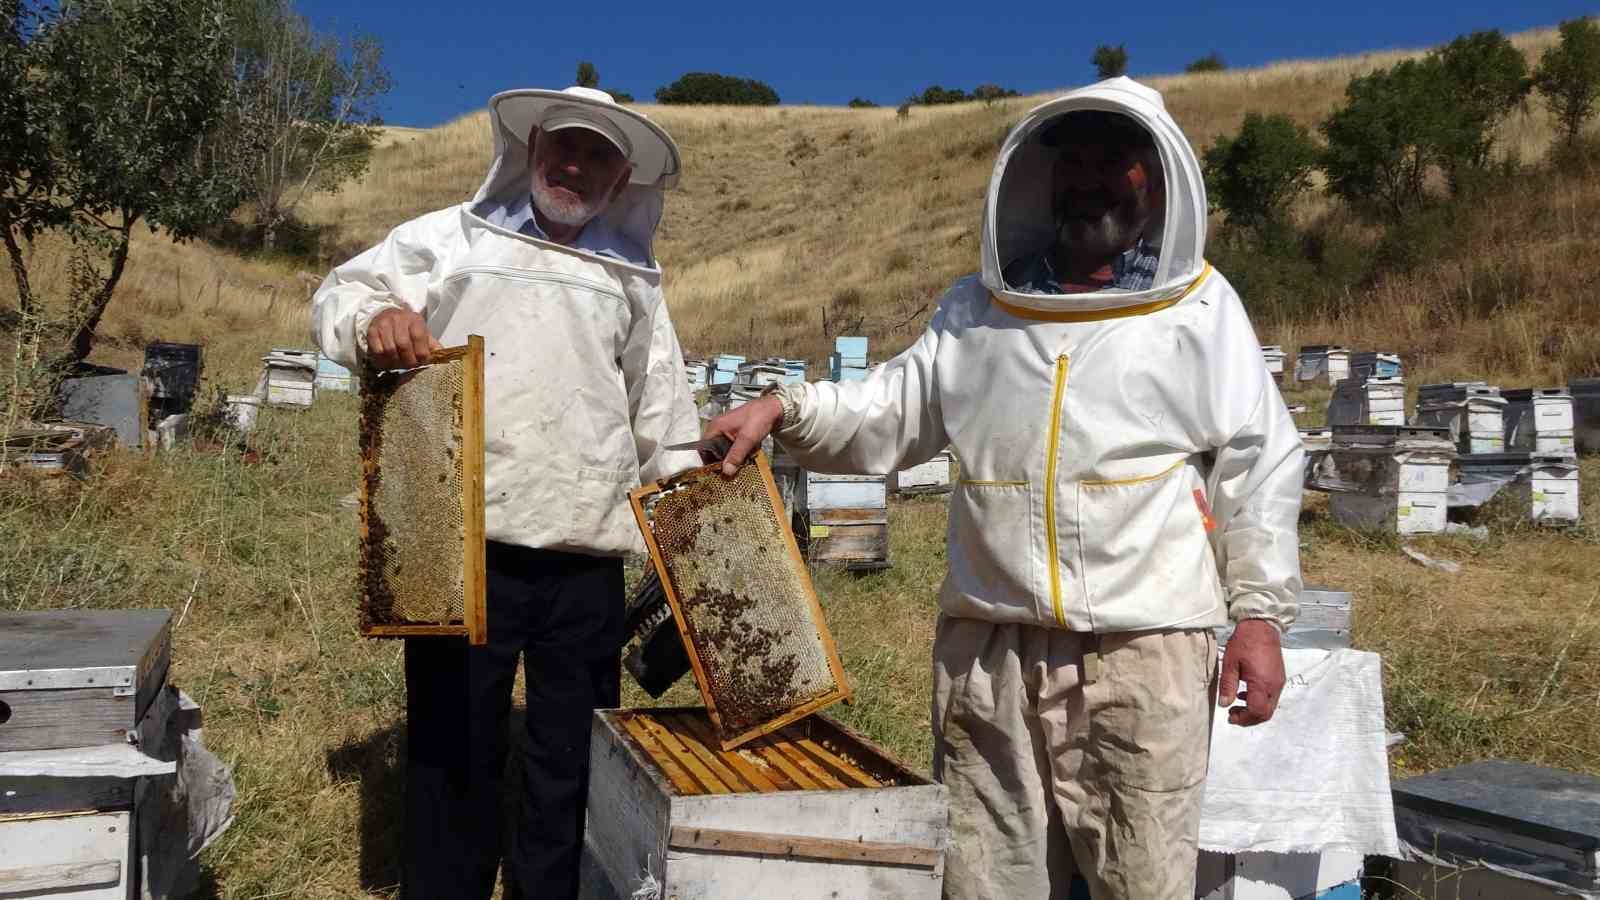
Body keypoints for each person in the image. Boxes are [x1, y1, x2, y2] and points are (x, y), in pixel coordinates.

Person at [706, 77, 1304, 900]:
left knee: (1141, 881)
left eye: (1116, 161)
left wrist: (1260, 618)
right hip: (988, 653)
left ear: (1156, 180)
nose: (1091, 177)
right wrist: (787, 406)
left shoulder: (1197, 310)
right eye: (1075, 160)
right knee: (988, 882)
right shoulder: (977, 312)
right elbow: (886, 411)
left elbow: (1259, 460)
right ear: (1043, 178)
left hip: (1144, 651)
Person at [312, 86, 702, 900]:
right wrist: (374, 321)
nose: (575, 165)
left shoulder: (631, 278)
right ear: (532, 148)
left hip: (584, 557)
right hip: (458, 541)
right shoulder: (449, 239)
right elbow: (340, 294)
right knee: (452, 750)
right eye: (564, 144)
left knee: (573, 763)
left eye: (599, 153)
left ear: (622, 174)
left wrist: (696, 519)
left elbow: (661, 418)